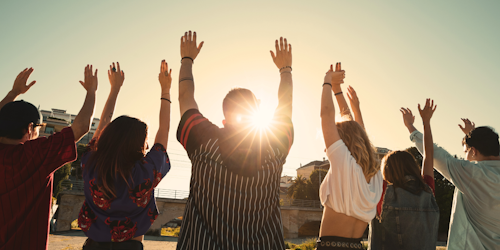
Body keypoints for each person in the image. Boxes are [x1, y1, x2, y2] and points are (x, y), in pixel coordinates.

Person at [175, 31, 294, 249]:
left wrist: (187, 60)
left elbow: (185, 98)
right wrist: (285, 69)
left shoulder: (204, 143)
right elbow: (285, 104)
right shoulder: (274, 148)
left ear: (224, 119)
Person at [0, 66, 97, 250]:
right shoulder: (35, 154)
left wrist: (13, 93)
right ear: (29, 129)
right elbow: (82, 127)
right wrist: (92, 91)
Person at [78, 62, 172, 250]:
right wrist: (165, 90)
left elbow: (104, 122)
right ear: (140, 144)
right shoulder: (147, 171)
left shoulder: (91, 163)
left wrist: (114, 89)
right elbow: (164, 129)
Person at [402, 106, 500, 249]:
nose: (465, 156)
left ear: (473, 151)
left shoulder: (471, 174)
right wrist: (472, 136)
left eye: (466, 151)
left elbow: (433, 153)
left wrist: (412, 127)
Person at [318, 63, 383, 250]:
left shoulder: (343, 164)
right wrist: (338, 93)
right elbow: (359, 133)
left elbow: (326, 115)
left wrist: (327, 81)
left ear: (344, 143)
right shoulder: (375, 176)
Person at [368, 99, 439, 250]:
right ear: (412, 166)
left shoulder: (383, 192)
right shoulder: (427, 190)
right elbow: (428, 154)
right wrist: (424, 122)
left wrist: (356, 109)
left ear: (387, 171)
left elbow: (367, 158)